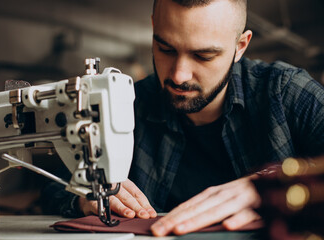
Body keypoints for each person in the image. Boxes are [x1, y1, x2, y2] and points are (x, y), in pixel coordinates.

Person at [41, 0, 324, 236]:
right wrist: (83, 199)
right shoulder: (125, 102)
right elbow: (53, 186)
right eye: (166, 49)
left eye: (203, 56)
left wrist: (271, 186)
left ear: (240, 46)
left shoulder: (286, 92)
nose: (178, 75)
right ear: (154, 27)